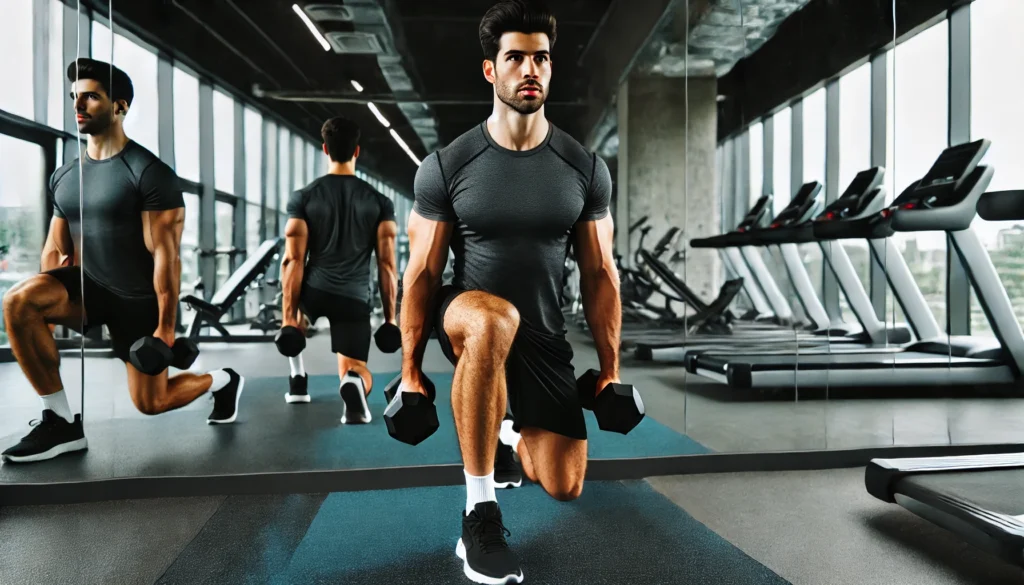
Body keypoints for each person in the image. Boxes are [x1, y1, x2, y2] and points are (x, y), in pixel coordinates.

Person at [399, 1, 619, 583]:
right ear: (490, 71)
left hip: (542, 336)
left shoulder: (583, 167)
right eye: (516, 57)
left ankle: (504, 428)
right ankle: (479, 513)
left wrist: (612, 370)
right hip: (468, 314)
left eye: (541, 58)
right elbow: (422, 273)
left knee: (564, 484)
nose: (530, 69)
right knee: (494, 321)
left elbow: (601, 274)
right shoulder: (448, 165)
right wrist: (409, 369)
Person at [1, 59, 243, 464]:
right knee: (18, 301)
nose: (79, 106)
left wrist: (166, 326)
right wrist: (45, 312)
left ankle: (222, 380)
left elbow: (165, 255)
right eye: (75, 98)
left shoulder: (148, 172)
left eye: (91, 97)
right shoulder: (65, 176)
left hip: (137, 299)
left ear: (120, 106)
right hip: (90, 287)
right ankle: (59, 422)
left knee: (152, 403)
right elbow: (55, 250)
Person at [279, 116, 398, 424]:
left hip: (314, 291)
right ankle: (354, 383)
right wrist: (390, 318)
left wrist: (288, 320)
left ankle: (297, 379)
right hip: (353, 297)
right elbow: (387, 264)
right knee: (355, 367)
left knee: (296, 322)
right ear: (356, 152)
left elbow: (292, 261)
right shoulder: (379, 201)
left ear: (325, 149)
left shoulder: (304, 197)